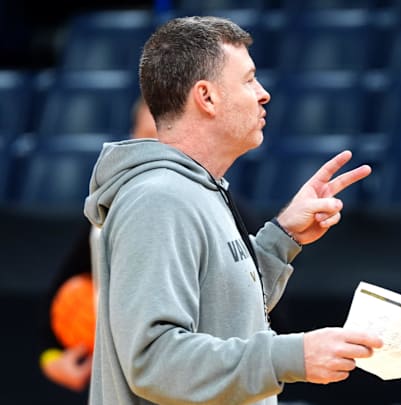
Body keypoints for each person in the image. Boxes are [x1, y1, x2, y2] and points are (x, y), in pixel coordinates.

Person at [82, 15, 382, 405]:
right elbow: (155, 362)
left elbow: (224, 312)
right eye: (248, 79)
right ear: (206, 97)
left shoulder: (198, 190)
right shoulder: (158, 199)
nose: (263, 94)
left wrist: (281, 238)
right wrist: (292, 356)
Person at [38, 96, 158, 394]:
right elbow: (58, 296)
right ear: (131, 140)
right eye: (148, 138)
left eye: (168, 138)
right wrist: (51, 358)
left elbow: (271, 314)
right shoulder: (106, 215)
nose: (159, 150)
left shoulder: (229, 213)